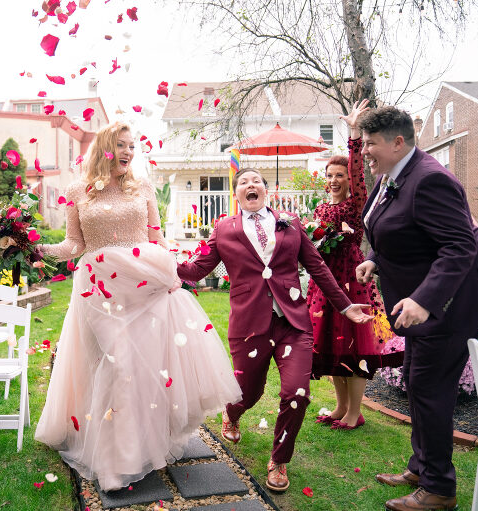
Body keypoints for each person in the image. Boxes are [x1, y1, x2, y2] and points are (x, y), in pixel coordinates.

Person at [34, 122, 241, 491]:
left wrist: (171, 272)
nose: (128, 152)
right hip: (99, 287)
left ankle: (141, 446)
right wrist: (39, 250)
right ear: (104, 149)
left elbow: (156, 237)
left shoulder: (142, 185)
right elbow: (73, 244)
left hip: (143, 283)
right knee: (117, 360)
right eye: (121, 145)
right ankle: (117, 462)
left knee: (144, 366)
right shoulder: (76, 190)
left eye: (132, 146)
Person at [176, 167, 372, 492]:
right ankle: (232, 413)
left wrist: (345, 304)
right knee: (248, 392)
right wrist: (161, 263)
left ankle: (279, 459)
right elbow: (198, 268)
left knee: (297, 393)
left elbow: (317, 266)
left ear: (266, 190)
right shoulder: (224, 229)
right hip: (249, 324)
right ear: (237, 195)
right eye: (243, 183)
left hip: (292, 322)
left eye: (256, 181)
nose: (250, 185)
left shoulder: (290, 223)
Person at [355, 106, 478, 511]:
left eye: (371, 143)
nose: (365, 150)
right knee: (418, 383)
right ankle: (421, 467)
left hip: (450, 306)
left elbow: (460, 246)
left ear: (398, 142)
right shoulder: (392, 176)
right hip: (421, 307)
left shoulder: (431, 178)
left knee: (431, 391)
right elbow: (405, 233)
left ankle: (438, 490)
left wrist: (424, 300)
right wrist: (376, 261)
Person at [309, 99, 403, 430]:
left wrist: (353, 134)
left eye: (340, 175)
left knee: (354, 346)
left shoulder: (355, 204)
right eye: (329, 176)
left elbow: (356, 170)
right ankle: (340, 407)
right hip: (323, 285)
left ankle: (354, 412)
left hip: (351, 280)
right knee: (329, 347)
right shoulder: (320, 209)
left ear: (349, 180)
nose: (334, 180)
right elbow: (314, 244)